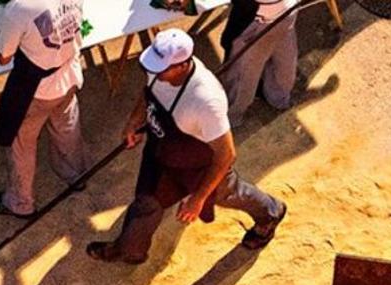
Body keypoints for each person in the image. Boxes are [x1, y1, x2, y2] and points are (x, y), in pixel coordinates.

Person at [86, 28, 286, 265]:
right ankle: (130, 251)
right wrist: (134, 121)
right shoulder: (158, 71)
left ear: (182, 65)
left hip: (199, 166)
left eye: (160, 69)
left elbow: (226, 154)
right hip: (163, 154)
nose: (153, 72)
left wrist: (198, 198)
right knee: (145, 204)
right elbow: (148, 92)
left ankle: (271, 212)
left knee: (229, 194)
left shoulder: (205, 101)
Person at [0, 0, 88, 218]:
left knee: (21, 142)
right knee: (66, 125)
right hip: (69, 72)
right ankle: (76, 175)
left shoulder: (20, 8)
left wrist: (4, 36)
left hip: (37, 90)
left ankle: (20, 203)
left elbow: (2, 57)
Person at [220, 0, 301, 126]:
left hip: (268, 21)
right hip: (281, 15)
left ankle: (232, 114)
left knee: (244, 73)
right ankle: (277, 98)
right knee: (283, 62)